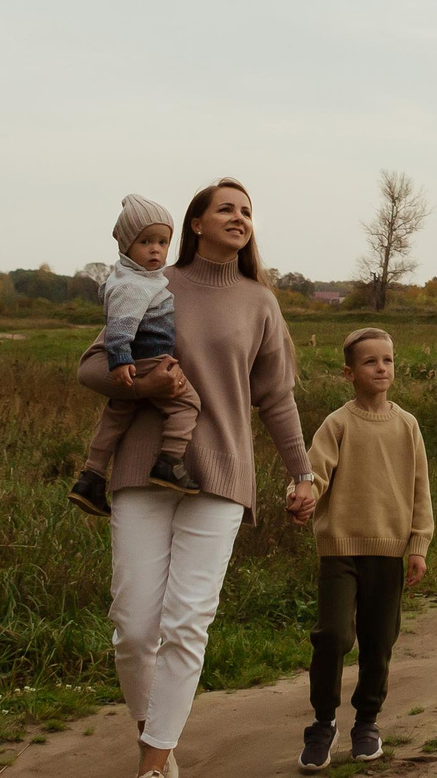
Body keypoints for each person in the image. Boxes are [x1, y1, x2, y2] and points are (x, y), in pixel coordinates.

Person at [78, 177, 321, 777]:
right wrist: (142, 382)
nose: (240, 218)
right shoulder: (153, 283)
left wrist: (303, 474)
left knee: (187, 622)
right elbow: (91, 367)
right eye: (226, 209)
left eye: (247, 211)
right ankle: (153, 734)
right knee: (133, 627)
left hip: (222, 473)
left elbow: (278, 399)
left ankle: (155, 763)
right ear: (196, 223)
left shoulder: (260, 302)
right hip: (143, 467)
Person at [298, 326, 436, 771]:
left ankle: (366, 724)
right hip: (339, 549)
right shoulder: (337, 424)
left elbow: (420, 490)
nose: (381, 368)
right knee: (333, 636)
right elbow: (315, 473)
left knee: (379, 641)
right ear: (349, 372)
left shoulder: (407, 425)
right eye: (370, 361)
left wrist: (418, 544)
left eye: (388, 360)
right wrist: (301, 494)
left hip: (389, 551)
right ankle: (323, 724)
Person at [70, 194, 203, 515]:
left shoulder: (131, 279)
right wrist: (120, 361)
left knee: (116, 417)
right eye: (145, 242)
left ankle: (92, 477)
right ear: (127, 246)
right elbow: (120, 328)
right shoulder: (134, 286)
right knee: (188, 404)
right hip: (149, 360)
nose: (156, 249)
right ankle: (169, 462)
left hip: (135, 361)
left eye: (162, 241)